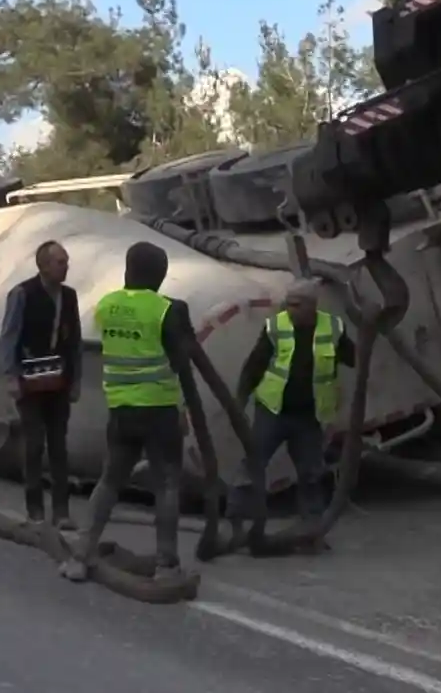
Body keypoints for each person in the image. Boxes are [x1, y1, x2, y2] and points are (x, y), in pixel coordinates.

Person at [63, 241, 212, 584]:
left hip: (121, 411)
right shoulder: (168, 310)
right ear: (160, 275)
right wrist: (186, 408)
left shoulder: (105, 306)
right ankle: (166, 565)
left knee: (109, 482)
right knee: (167, 486)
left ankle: (80, 555)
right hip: (159, 411)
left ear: (127, 270)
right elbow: (181, 364)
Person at [228, 280, 355, 535]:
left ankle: (312, 528)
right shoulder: (277, 326)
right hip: (272, 410)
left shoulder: (332, 328)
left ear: (312, 307)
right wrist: (240, 401)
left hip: (309, 416)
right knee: (252, 465)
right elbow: (254, 366)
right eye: (288, 304)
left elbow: (352, 358)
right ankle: (236, 522)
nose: (290, 309)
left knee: (311, 473)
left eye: (296, 305)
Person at [0, 240, 82, 529]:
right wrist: (11, 376)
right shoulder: (22, 294)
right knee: (34, 444)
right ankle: (34, 509)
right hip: (29, 380)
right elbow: (9, 336)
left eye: (66, 261)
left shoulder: (69, 297)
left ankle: (61, 511)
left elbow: (75, 342)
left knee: (59, 446)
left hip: (59, 379)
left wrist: (76, 380)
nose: (66, 266)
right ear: (43, 265)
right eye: (60, 262)